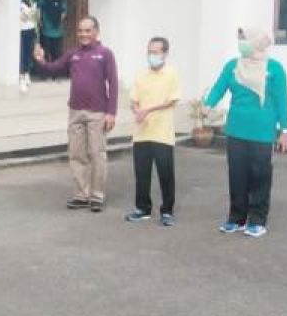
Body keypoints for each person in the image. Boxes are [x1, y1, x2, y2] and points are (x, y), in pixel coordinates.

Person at [203, 27, 287, 238]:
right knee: (237, 175)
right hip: (236, 130)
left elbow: (282, 100)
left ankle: (258, 220)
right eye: (239, 39)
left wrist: (285, 130)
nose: (241, 43)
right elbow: (219, 88)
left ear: (256, 42)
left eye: (244, 39)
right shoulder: (233, 66)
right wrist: (208, 105)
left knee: (260, 176)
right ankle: (236, 218)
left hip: (263, 132)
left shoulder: (274, 69)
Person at [32, 16, 119, 212]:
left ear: (96, 32)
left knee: (96, 154)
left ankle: (96, 196)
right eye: (80, 31)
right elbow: (52, 68)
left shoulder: (105, 54)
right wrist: (40, 60)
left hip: (97, 112)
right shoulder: (73, 54)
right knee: (77, 154)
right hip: (75, 111)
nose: (83, 34)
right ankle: (82, 194)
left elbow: (113, 83)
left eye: (88, 30)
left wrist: (111, 112)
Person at [124, 37, 182, 226]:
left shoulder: (171, 74)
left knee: (165, 173)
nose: (152, 56)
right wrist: (136, 109)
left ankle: (167, 211)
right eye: (149, 52)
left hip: (162, 133)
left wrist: (148, 110)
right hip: (142, 133)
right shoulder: (141, 75)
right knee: (142, 173)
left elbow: (172, 100)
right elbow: (134, 99)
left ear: (165, 54)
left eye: (156, 52)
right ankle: (142, 208)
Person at [37, 0, 68, 70]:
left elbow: (64, 13)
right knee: (45, 52)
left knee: (56, 53)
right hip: (46, 30)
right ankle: (45, 71)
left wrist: (56, 20)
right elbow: (39, 10)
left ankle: (55, 71)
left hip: (57, 31)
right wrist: (40, 21)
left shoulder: (62, 0)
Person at [19, 0, 40, 92]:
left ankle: (27, 73)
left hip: (31, 29)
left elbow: (35, 16)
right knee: (22, 53)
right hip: (21, 30)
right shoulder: (18, 0)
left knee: (29, 52)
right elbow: (21, 16)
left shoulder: (32, 0)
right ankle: (21, 75)